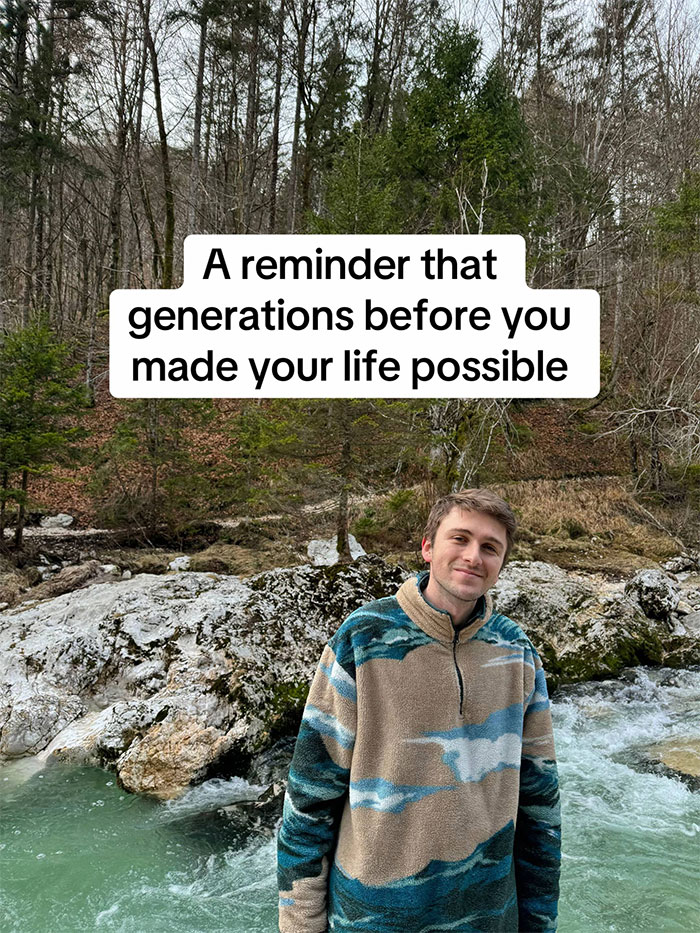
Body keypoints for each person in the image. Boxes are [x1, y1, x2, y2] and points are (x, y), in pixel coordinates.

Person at [278, 489, 561, 933]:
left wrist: (540, 922)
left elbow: (540, 804)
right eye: (460, 539)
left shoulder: (518, 651)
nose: (473, 556)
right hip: (371, 918)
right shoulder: (362, 638)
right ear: (428, 547)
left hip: (488, 918)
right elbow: (309, 800)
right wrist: (299, 925)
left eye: (490, 548)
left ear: (502, 564)